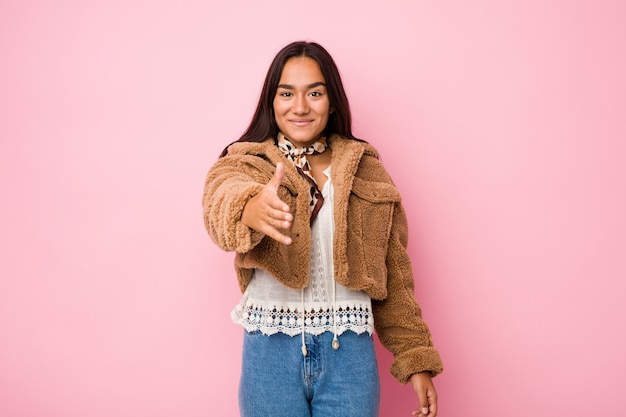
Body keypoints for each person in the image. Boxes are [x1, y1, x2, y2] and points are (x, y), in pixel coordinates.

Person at [202, 41, 443, 417]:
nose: (300, 106)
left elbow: (394, 274)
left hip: (349, 357)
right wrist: (249, 208)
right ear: (271, 101)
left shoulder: (366, 168)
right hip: (270, 353)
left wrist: (416, 357)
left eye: (314, 92)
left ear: (332, 101)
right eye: (286, 93)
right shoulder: (249, 160)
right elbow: (220, 199)